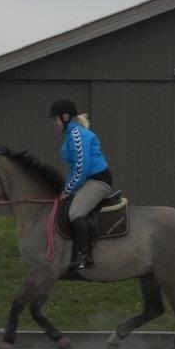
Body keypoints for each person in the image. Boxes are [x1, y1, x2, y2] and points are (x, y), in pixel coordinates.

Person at [49, 99, 113, 269]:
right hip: (87, 179)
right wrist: (65, 188)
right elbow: (75, 169)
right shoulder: (71, 135)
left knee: (75, 212)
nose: (54, 124)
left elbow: (81, 168)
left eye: (55, 120)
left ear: (65, 117)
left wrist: (67, 190)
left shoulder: (78, 135)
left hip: (98, 180)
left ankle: (85, 257)